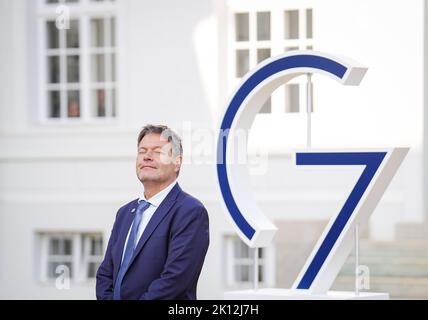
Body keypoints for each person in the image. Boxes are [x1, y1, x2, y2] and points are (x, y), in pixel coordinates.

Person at [96, 124, 209, 300]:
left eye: (157, 152)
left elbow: (174, 281)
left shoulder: (190, 212)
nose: (147, 157)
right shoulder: (124, 213)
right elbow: (105, 273)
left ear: (177, 161)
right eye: (142, 151)